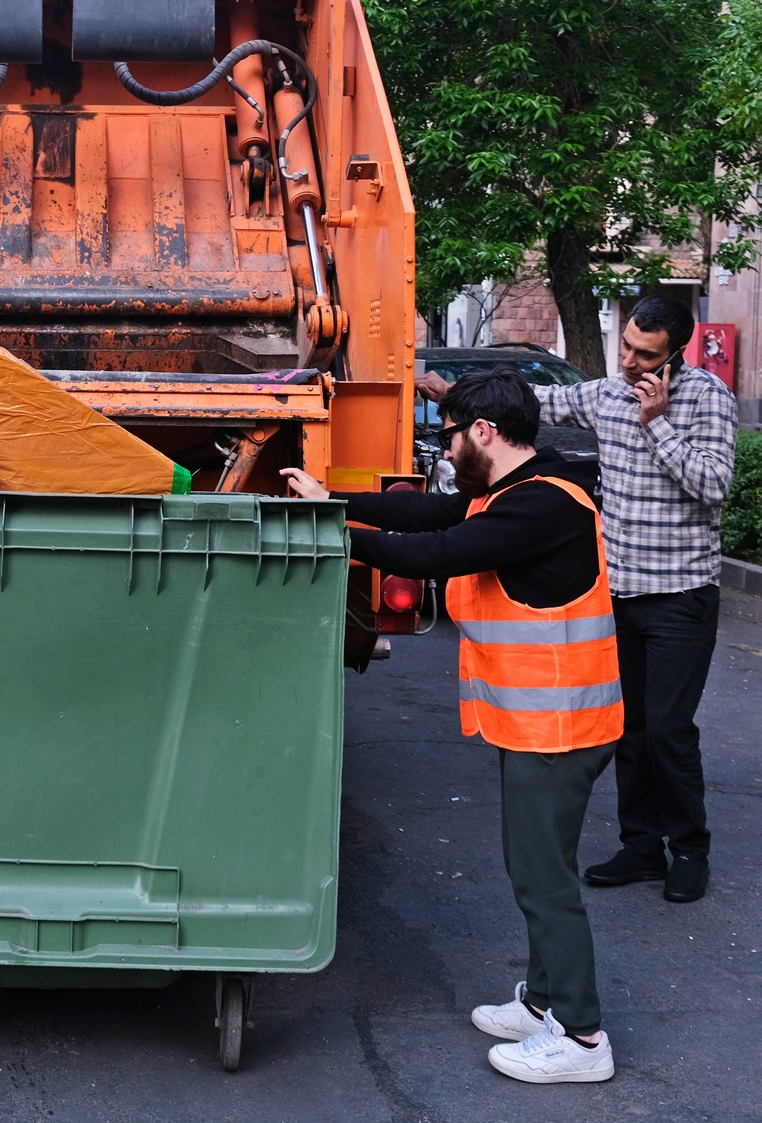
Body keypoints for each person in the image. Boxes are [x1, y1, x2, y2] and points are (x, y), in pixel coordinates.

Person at [283, 367, 623, 1085]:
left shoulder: (541, 506)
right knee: (533, 867)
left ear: (483, 432)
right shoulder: (515, 489)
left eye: (449, 438)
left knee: (543, 878)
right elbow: (426, 514)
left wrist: (334, 531)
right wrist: (333, 500)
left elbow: (434, 553)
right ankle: (544, 1003)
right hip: (540, 722)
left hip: (560, 727)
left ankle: (582, 1036)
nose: (444, 452)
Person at [419, 297, 735, 904]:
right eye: (627, 346)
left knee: (669, 731)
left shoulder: (707, 398)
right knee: (628, 728)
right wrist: (451, 392)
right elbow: (534, 402)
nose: (630, 362)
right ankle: (641, 848)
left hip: (681, 593)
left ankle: (690, 851)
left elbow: (714, 485)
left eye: (646, 355)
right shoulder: (607, 393)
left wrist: (656, 422)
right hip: (616, 592)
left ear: (675, 355)